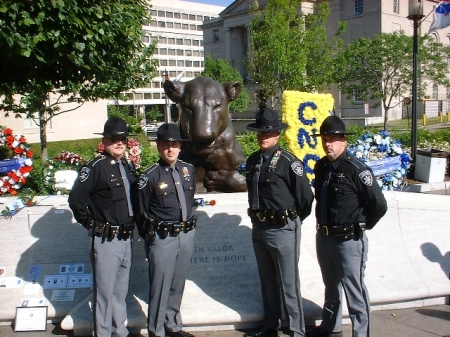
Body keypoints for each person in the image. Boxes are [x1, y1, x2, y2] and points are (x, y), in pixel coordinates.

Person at [308, 115, 388, 337]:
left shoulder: (356, 169)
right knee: (331, 287)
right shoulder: (322, 166)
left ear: (344, 141)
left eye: (332, 139)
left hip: (349, 240)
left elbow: (379, 205)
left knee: (355, 291)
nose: (328, 144)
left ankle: (361, 333)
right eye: (325, 139)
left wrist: (362, 225)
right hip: (324, 237)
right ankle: (330, 327)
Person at [244, 108, 314, 337]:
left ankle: (296, 329)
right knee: (267, 280)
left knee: (288, 282)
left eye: (269, 132)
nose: (264, 136)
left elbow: (306, 198)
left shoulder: (288, 162)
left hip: (283, 228)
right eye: (260, 133)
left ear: (277, 134)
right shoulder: (253, 160)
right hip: (259, 228)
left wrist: (291, 221)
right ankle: (270, 324)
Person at [68, 116, 136, 337]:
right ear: (105, 141)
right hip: (106, 239)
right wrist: (91, 224)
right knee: (104, 293)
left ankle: (120, 332)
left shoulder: (126, 165)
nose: (119, 143)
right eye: (114, 139)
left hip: (126, 239)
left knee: (120, 292)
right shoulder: (95, 167)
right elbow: (76, 200)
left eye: (123, 139)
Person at [133, 123, 197, 337]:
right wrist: (152, 237)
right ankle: (156, 330)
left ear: (180, 147)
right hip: (162, 238)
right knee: (160, 287)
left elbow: (189, 200)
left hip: (185, 235)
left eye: (175, 144)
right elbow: (141, 212)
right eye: (166, 145)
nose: (171, 149)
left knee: (177, 284)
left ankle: (173, 325)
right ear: (159, 147)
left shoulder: (188, 170)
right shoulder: (148, 177)